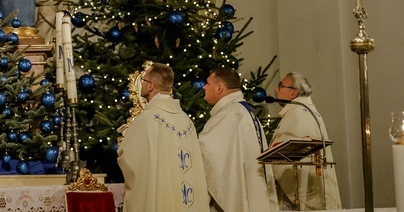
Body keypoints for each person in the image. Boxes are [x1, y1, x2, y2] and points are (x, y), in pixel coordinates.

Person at [117, 63, 209, 212]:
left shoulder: (147, 120)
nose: (142, 85)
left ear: (151, 86)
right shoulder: (186, 121)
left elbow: (127, 158)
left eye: (144, 81)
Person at [198, 67, 278, 212]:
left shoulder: (229, 115)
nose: (204, 87)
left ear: (220, 88)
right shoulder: (242, 111)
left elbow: (205, 153)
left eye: (208, 83)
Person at [271, 72, 342, 210]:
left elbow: (284, 161)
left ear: (293, 93)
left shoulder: (298, 114)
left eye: (280, 86)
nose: (275, 90)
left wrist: (264, 167)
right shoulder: (306, 111)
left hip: (300, 193)